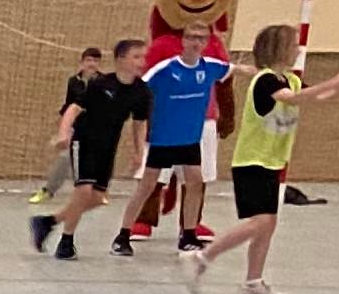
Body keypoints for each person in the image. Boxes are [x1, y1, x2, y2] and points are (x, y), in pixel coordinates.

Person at [189, 22, 339, 294]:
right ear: (278, 49)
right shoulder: (266, 80)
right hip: (253, 162)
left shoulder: (291, 79)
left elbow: (318, 96)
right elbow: (292, 99)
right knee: (260, 222)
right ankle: (203, 256)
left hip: (272, 162)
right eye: (293, 44)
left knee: (268, 224)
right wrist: (333, 81)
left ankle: (253, 282)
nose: (298, 49)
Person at [118, 25, 231, 253]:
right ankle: (123, 235)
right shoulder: (166, 69)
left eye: (201, 39)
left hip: (189, 139)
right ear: (184, 41)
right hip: (163, 138)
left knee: (195, 183)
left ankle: (188, 234)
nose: (196, 43)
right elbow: (139, 87)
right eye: (192, 38)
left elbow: (238, 69)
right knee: (147, 186)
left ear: (206, 42)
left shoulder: (210, 67)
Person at [35, 39, 147, 259]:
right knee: (84, 190)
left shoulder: (141, 91)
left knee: (97, 198)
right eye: (136, 57)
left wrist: (138, 152)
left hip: (108, 148)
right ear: (120, 59)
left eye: (143, 57)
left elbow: (140, 123)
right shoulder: (100, 84)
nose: (141, 62)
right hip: (84, 141)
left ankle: (48, 222)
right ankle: (66, 242)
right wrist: (64, 133)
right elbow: (73, 109)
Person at [30, 45, 105, 221]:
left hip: (96, 129)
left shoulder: (104, 82)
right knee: (65, 158)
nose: (92, 64)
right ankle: (48, 190)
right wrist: (63, 130)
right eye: (89, 60)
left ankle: (97, 193)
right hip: (76, 128)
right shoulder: (74, 82)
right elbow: (69, 106)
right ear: (82, 62)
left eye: (95, 61)